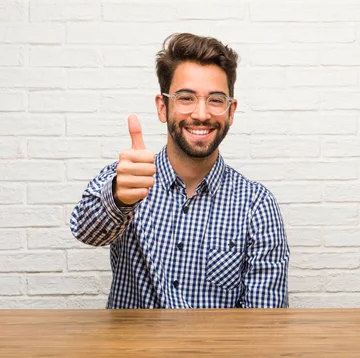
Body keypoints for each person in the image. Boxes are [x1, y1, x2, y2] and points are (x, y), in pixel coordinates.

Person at [70, 33, 290, 309]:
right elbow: (86, 232)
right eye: (186, 98)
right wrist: (118, 198)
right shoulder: (127, 178)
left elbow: (264, 320)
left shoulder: (256, 205)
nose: (201, 114)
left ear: (231, 111)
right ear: (163, 108)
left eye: (216, 100)